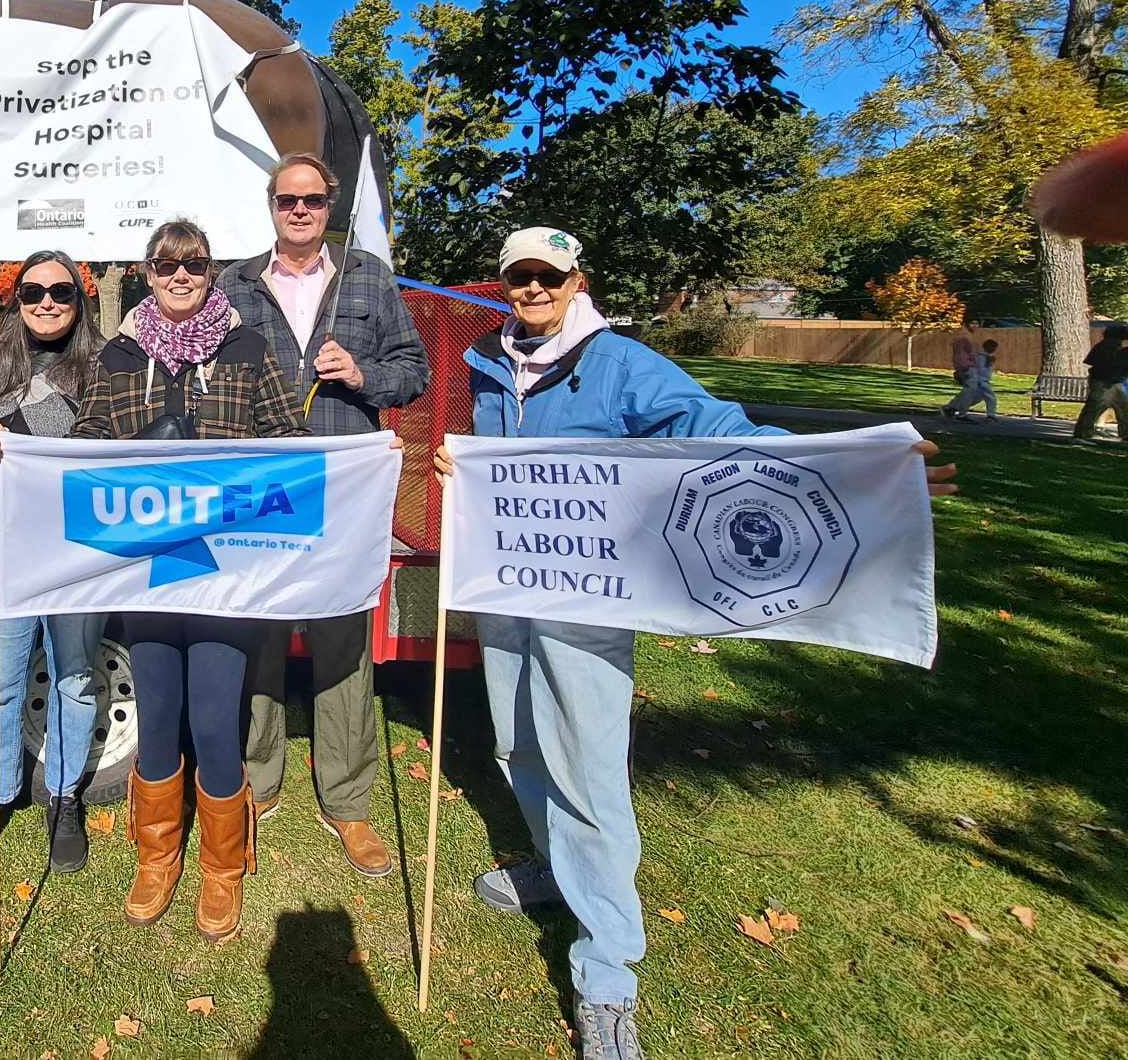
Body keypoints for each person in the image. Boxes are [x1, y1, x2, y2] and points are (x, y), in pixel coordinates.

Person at [433, 227, 956, 1060]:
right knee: (516, 741)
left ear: (576, 281)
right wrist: (461, 472)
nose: (531, 290)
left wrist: (862, 468)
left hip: (590, 595)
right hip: (507, 585)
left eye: (547, 277)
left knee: (589, 769)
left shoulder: (620, 364)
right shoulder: (489, 361)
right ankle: (549, 864)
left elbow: (722, 430)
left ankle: (607, 974)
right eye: (518, 278)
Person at [72, 219, 305, 943]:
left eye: (195, 263)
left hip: (224, 572)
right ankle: (156, 854)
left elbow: (289, 440)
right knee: (159, 712)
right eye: (167, 264)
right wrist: (17, 456)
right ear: (146, 270)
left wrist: (352, 457)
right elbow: (85, 443)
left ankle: (223, 865)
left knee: (212, 715)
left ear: (211, 270)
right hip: (147, 571)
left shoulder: (247, 347)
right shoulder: (118, 355)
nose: (181, 275)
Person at [220, 151, 429, 878]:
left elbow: (416, 370)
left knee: (343, 644)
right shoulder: (233, 283)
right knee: (259, 638)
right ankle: (258, 781)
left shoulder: (367, 276)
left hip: (344, 489)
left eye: (312, 199)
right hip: (263, 489)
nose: (300, 210)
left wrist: (366, 375)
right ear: (271, 206)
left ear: (330, 206)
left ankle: (347, 801)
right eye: (287, 200)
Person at [0, 251, 106, 873]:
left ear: (80, 299)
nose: (46, 302)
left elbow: (123, 452)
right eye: (32, 292)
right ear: (14, 299)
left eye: (61, 292)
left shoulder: (105, 366)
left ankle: (64, 795)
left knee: (74, 674)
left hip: (75, 552)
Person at [1074, 324, 1128, 440]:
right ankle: (1082, 433)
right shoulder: (1107, 348)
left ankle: (1126, 434)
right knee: (1095, 407)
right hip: (1103, 383)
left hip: (1115, 382)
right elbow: (1110, 365)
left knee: (1123, 408)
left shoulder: (1109, 347)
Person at [943, 338, 999, 420]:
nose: (993, 349)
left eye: (994, 347)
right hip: (980, 380)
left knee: (972, 397)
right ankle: (991, 415)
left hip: (981, 380)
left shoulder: (986, 357)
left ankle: (952, 407)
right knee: (990, 397)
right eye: (991, 347)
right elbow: (980, 369)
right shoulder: (981, 356)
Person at [949, 320, 979, 389]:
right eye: (972, 323)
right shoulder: (967, 336)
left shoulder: (960, 335)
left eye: (977, 323)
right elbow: (971, 352)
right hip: (966, 364)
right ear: (966, 324)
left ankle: (959, 376)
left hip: (960, 364)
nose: (975, 325)